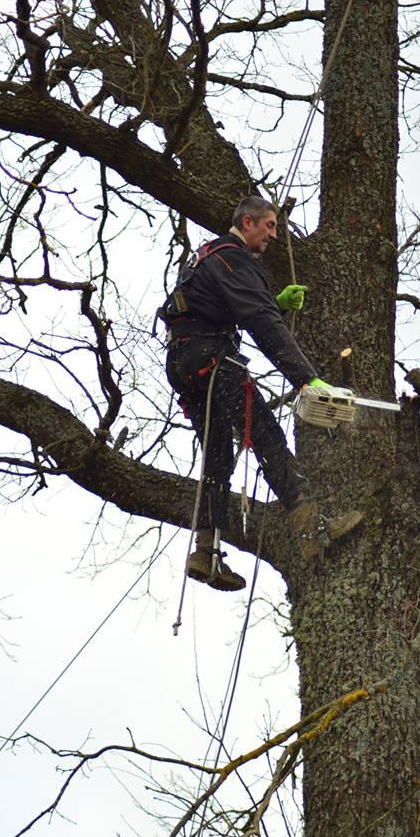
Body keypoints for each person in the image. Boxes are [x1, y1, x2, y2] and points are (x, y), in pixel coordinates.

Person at [161, 196, 363, 591]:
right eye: (269, 225)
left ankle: (205, 550)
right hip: (212, 359)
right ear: (248, 222)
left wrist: (272, 299)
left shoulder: (209, 256)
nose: (274, 234)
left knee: (218, 455)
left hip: (184, 362)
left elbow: (231, 304)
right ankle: (312, 529)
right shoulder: (233, 256)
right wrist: (306, 378)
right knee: (266, 436)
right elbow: (261, 321)